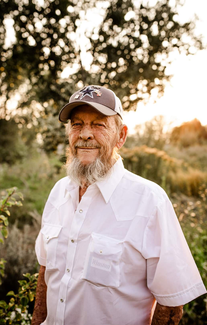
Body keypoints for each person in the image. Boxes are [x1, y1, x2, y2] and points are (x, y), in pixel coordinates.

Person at [31, 85, 206, 325]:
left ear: (121, 136)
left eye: (99, 124)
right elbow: (45, 272)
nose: (85, 134)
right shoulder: (58, 192)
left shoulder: (149, 200)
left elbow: (171, 305)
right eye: (77, 124)